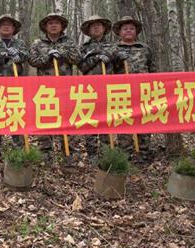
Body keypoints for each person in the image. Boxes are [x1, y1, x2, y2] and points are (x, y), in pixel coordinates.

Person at [28, 13, 81, 164]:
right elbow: (32, 60)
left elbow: (78, 58)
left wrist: (62, 54)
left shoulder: (69, 42)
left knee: (68, 118)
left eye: (56, 23)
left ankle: (69, 152)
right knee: (46, 118)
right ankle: (45, 153)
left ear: (61, 26)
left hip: (66, 88)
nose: (53, 25)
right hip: (45, 89)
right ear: (45, 26)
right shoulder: (38, 43)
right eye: (50, 23)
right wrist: (48, 57)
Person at [111, 15, 155, 158]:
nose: (128, 31)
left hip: (143, 91)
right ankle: (126, 153)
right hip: (122, 92)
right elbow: (109, 71)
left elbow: (152, 69)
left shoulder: (144, 48)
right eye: (125, 29)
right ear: (119, 32)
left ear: (136, 31)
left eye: (131, 28)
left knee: (144, 119)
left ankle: (143, 151)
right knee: (124, 120)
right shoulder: (114, 49)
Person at [0, 14, 29, 158]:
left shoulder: (19, 43)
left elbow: (26, 55)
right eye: (3, 24)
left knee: (16, 114)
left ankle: (19, 147)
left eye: (9, 24)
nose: (6, 26)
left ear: (14, 28)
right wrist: (5, 54)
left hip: (16, 85)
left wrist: (18, 55)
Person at [77, 15, 116, 164]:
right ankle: (92, 153)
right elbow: (82, 66)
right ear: (88, 30)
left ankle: (107, 152)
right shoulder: (84, 47)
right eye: (93, 26)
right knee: (90, 120)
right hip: (90, 89)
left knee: (106, 119)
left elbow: (118, 60)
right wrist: (96, 58)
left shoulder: (112, 45)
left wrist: (108, 55)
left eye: (99, 25)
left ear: (104, 28)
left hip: (109, 88)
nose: (96, 27)